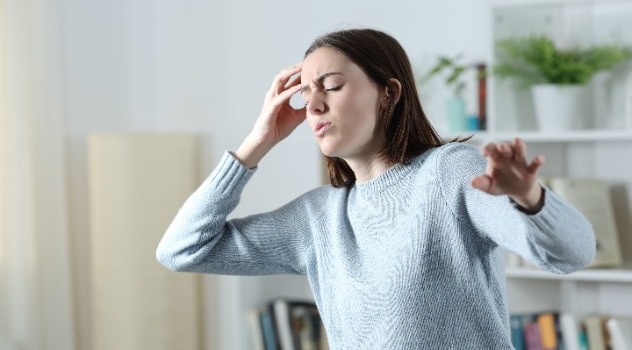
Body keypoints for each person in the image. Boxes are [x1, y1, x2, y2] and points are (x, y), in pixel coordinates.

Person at [156, 28, 595, 349]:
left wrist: (530, 200)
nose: (314, 105)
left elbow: (573, 254)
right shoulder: (317, 219)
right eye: (305, 94)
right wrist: (258, 141)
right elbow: (180, 250)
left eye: (331, 86)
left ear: (388, 92)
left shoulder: (450, 173)